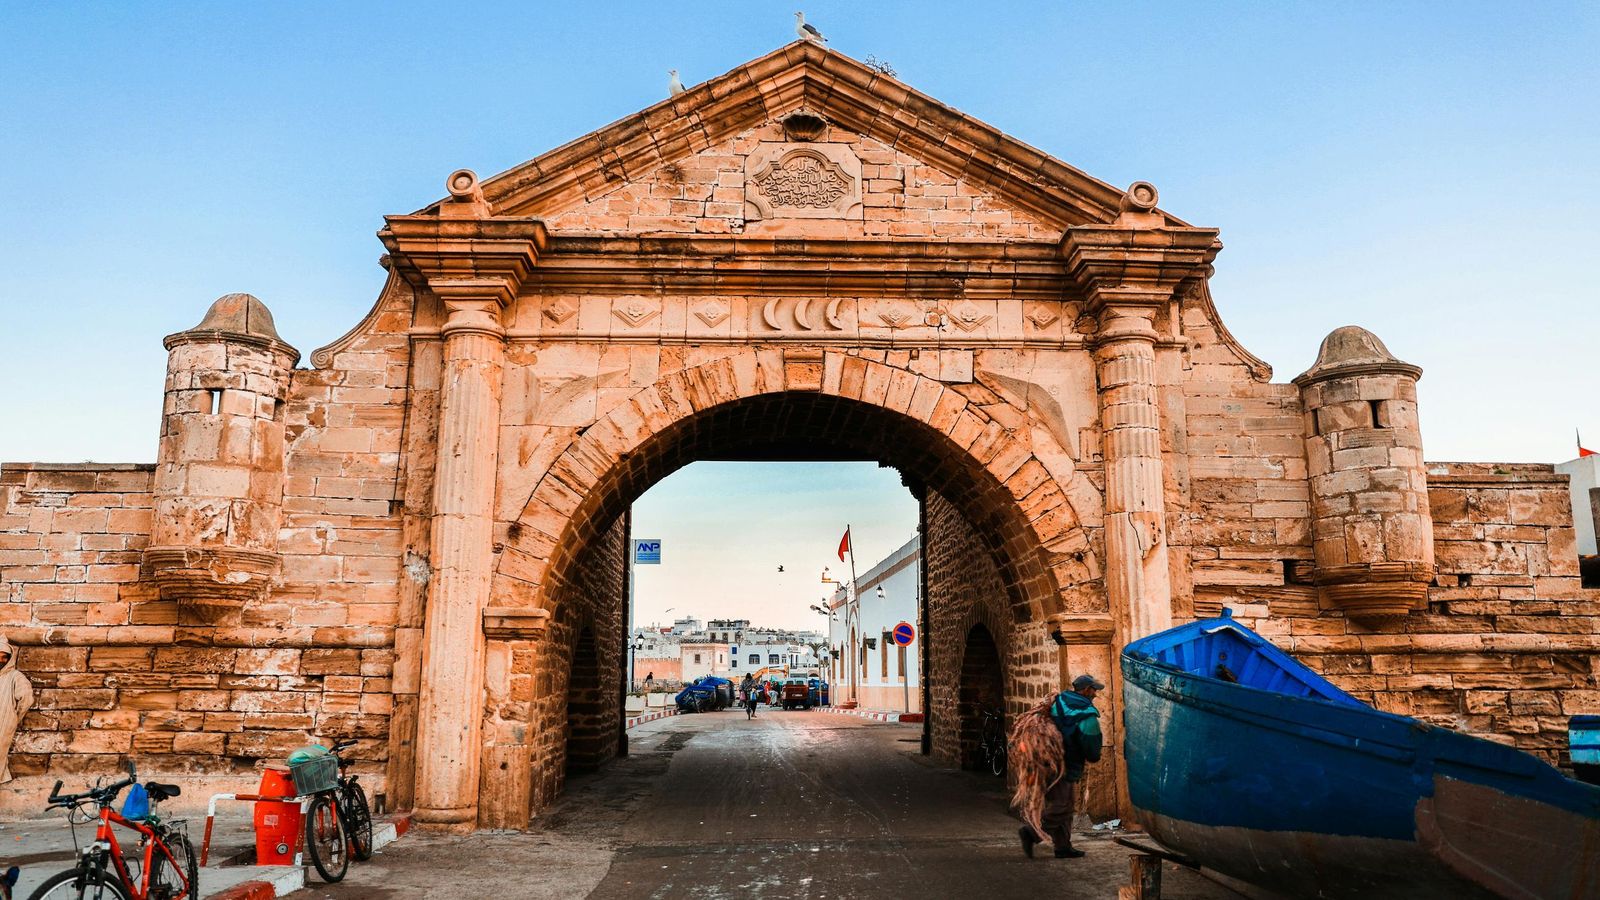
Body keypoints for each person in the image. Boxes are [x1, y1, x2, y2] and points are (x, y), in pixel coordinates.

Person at [1020, 673, 1103, 859]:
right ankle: (1031, 834)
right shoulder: (1085, 714)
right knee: (1063, 805)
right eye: (1094, 689)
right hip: (1064, 764)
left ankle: (1063, 846)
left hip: (1048, 760)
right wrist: (1094, 755)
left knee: (1066, 803)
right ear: (1086, 690)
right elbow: (1092, 745)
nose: (1096, 693)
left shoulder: (1060, 701)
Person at [0, 635, 35, 784]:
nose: (1, 660)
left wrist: (14, 717)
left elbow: (26, 699)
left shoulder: (15, 677)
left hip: (3, 722)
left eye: (4, 657)